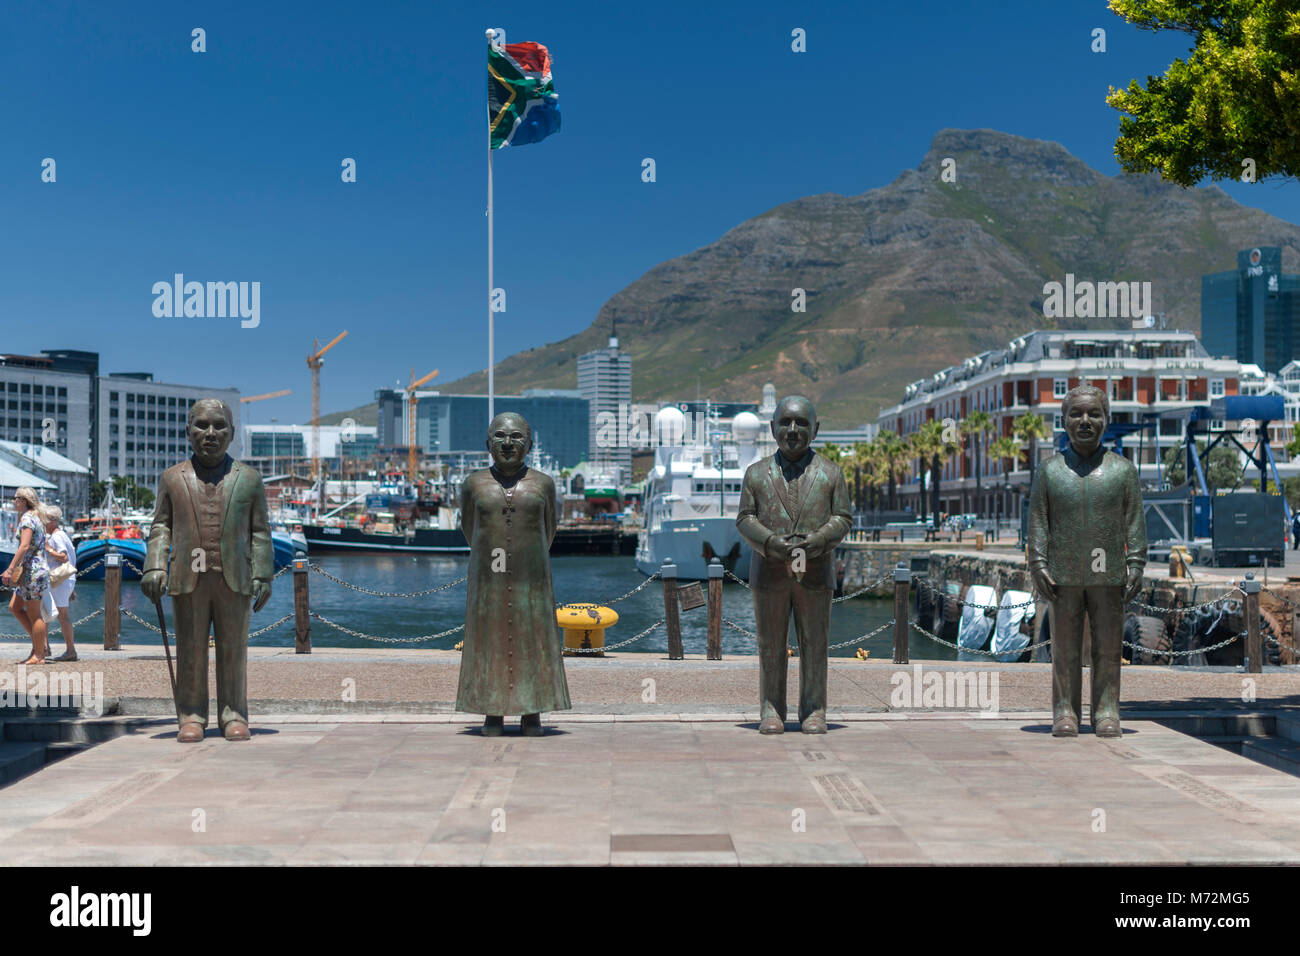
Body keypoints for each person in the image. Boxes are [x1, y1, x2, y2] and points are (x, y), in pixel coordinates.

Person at [142, 398, 273, 743]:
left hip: (235, 575)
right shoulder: (172, 478)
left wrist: (263, 573)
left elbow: (260, 530)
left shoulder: (250, 479)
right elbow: (161, 527)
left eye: (219, 426)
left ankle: (234, 714)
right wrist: (155, 565)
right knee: (190, 647)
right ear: (188, 432)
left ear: (232, 434)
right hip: (189, 575)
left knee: (233, 648)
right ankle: (191, 716)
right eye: (201, 425)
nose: (210, 433)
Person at [1027, 385, 1145, 738]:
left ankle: (1107, 711)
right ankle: (1065, 712)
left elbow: (1135, 521)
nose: (1085, 420)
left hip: (1109, 576)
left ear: (1106, 419)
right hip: (1063, 575)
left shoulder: (1123, 471)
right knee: (1064, 649)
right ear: (1063, 420)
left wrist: (1136, 562)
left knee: (1109, 648)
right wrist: (1038, 564)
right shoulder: (1048, 472)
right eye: (1076, 413)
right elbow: (1037, 523)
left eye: (1094, 413)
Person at [736, 395, 852, 734]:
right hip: (769, 572)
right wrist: (770, 542)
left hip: (816, 572)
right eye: (785, 422)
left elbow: (843, 517)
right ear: (772, 428)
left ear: (815, 429)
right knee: (770, 645)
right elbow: (745, 518)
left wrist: (818, 540)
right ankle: (771, 709)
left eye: (801, 423)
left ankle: (814, 710)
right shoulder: (755, 474)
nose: (792, 429)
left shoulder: (831, 473)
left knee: (815, 645)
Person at [455, 412, 570, 736]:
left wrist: (524, 560)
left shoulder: (544, 484)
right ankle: (492, 711)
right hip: (489, 578)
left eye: (517, 436)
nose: (508, 443)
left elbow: (549, 529)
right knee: (488, 639)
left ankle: (532, 711)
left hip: (531, 579)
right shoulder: (473, 484)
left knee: (534, 641)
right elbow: (470, 528)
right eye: (501, 436)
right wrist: (496, 561)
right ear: (487, 443)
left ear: (530, 444)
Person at [2, 486, 51, 664]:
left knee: (35, 614)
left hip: (32, 572)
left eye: (16, 498)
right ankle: (40, 645)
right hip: (34, 570)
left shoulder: (28, 519)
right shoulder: (35, 517)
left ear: (23, 500)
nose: (13, 501)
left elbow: (23, 546)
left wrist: (10, 568)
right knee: (14, 607)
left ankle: (39, 655)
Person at [41, 505, 78, 662]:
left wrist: (48, 549)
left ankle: (70, 651)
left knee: (61, 616)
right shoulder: (62, 535)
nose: (43, 524)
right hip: (63, 580)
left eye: (45, 521)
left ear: (52, 521)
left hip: (60, 580)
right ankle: (45, 648)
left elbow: (63, 557)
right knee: (46, 613)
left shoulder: (56, 537)